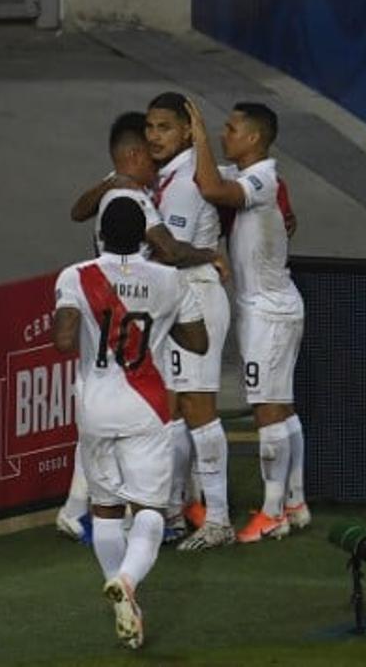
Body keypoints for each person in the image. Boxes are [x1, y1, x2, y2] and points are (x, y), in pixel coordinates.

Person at [57, 112, 225, 542]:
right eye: (148, 153)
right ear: (132, 155)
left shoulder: (111, 188)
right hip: (128, 308)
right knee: (152, 417)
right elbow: (166, 248)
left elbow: (77, 210)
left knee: (98, 425)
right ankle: (157, 514)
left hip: (101, 317)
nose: (155, 162)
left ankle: (79, 510)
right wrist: (210, 255)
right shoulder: (134, 198)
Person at [52, 198, 208, 652]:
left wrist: (85, 323)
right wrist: (158, 323)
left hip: (96, 408)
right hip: (147, 407)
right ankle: (127, 579)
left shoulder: (75, 276)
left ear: (100, 233)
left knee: (104, 511)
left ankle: (123, 601)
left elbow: (64, 340)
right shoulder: (169, 280)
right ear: (144, 238)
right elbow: (198, 342)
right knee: (149, 513)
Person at [186, 99, 310, 543]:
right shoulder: (260, 177)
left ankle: (273, 513)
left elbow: (214, 191)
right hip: (276, 308)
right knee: (284, 407)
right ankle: (294, 502)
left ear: (254, 137)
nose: (224, 133)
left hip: (268, 314)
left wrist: (196, 137)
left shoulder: (259, 177)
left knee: (268, 412)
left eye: (231, 128)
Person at [143, 90, 232, 549]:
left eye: (165, 127)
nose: (155, 136)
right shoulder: (175, 175)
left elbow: (170, 250)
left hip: (194, 296)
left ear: (186, 130)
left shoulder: (181, 185)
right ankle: (175, 512)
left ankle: (217, 519)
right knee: (174, 409)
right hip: (179, 299)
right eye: (150, 127)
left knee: (198, 409)